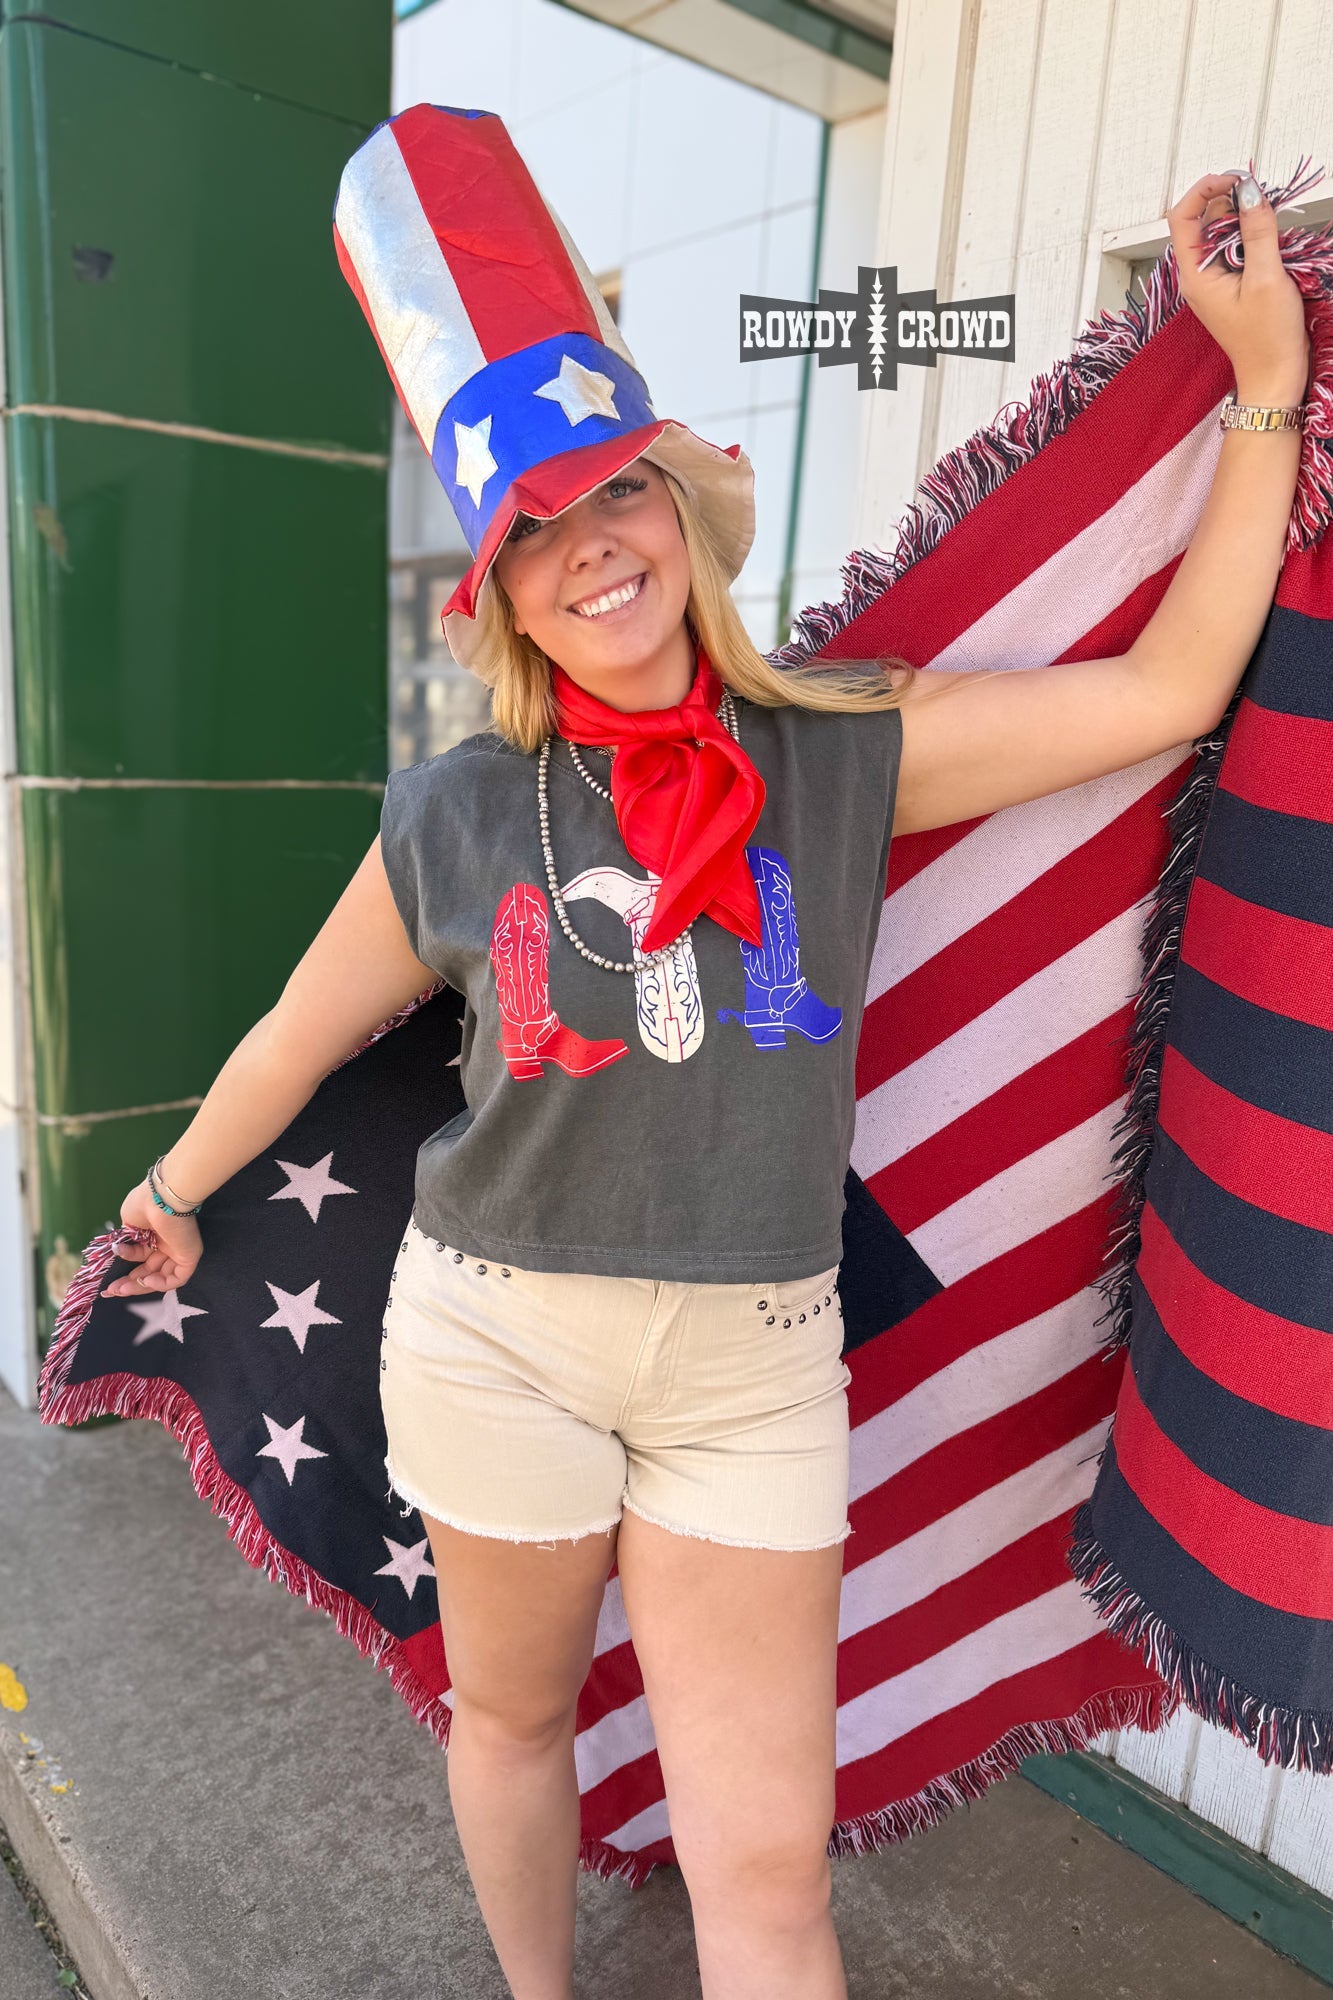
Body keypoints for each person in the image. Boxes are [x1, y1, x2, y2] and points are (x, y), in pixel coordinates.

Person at [98, 104, 1309, 2000]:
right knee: (512, 1724)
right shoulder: (458, 811)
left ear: (677, 506)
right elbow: (291, 1033)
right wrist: (170, 1193)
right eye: (537, 531)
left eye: (616, 495)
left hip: (751, 1369)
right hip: (496, 1338)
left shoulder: (840, 750)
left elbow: (1166, 690)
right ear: (499, 591)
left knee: (766, 1876)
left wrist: (1262, 392)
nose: (590, 548)